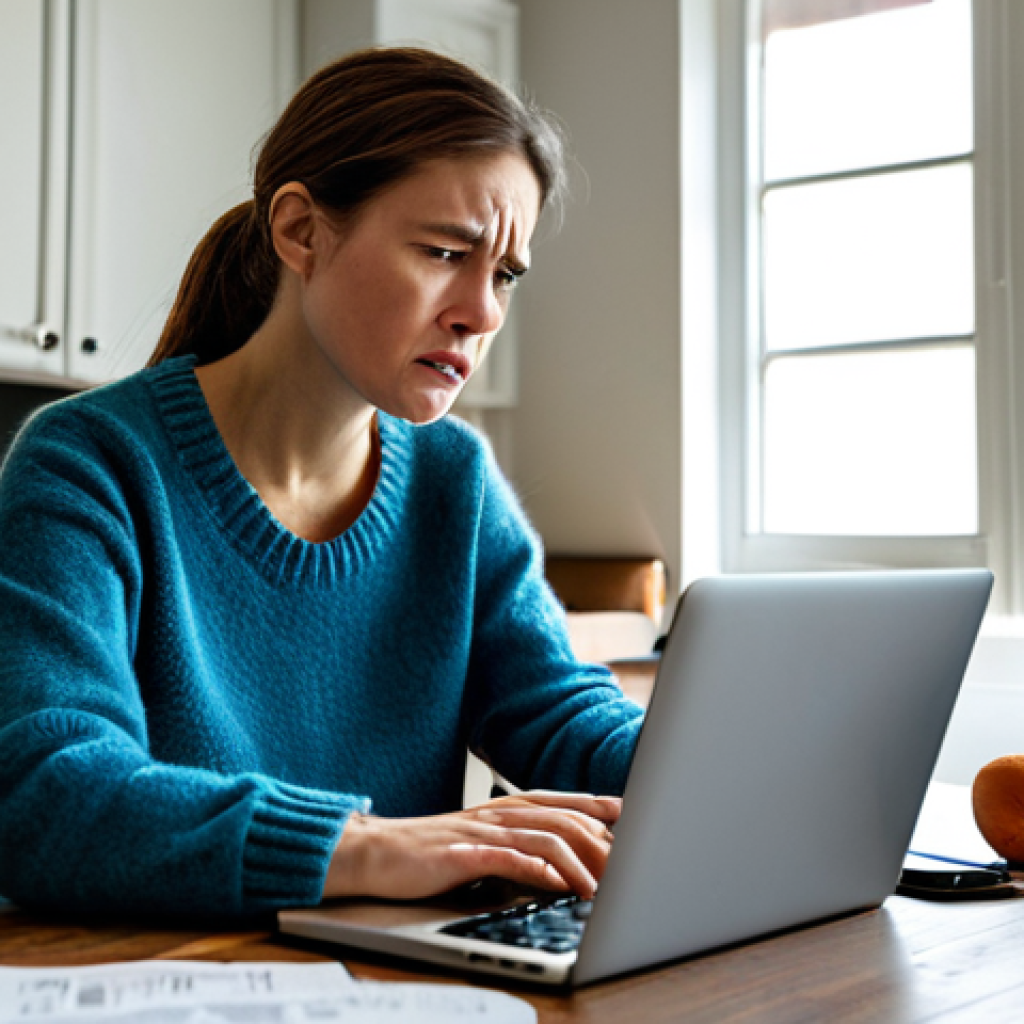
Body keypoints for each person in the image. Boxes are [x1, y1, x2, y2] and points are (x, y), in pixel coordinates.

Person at [0, 48, 644, 918]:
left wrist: (726, 762)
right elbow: (46, 796)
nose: (483, 313)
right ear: (301, 231)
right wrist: (372, 847)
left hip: (401, 982)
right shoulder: (88, 464)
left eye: (504, 274)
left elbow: (561, 715)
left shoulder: (456, 480)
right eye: (445, 251)